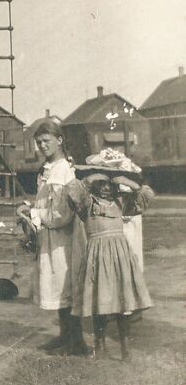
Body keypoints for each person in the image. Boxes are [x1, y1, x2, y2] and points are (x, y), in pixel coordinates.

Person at [68, 151, 152, 360]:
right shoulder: (87, 204)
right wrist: (89, 179)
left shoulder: (122, 202)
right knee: (100, 303)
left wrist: (129, 182)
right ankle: (100, 345)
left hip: (119, 257)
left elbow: (146, 197)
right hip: (97, 257)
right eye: (101, 183)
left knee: (123, 304)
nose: (106, 187)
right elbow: (71, 193)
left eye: (109, 183)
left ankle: (125, 348)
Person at [17, 120, 88, 355]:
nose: (41, 146)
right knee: (58, 286)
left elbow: (61, 214)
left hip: (63, 240)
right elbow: (48, 203)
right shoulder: (49, 169)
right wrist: (31, 207)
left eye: (46, 141)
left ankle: (76, 342)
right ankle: (64, 335)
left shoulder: (62, 171)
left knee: (65, 286)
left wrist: (35, 213)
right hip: (52, 238)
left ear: (60, 140)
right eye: (38, 142)